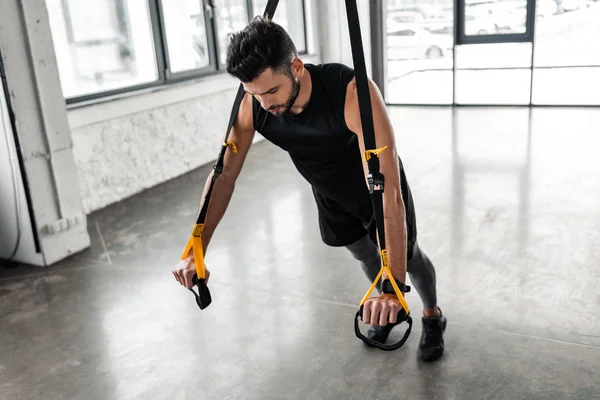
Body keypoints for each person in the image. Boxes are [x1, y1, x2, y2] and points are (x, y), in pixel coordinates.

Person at [172, 16, 446, 362]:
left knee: (409, 258)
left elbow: (386, 187)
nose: (266, 104)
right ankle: (383, 301)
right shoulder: (252, 105)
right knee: (363, 255)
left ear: (296, 67)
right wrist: (195, 247)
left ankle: (432, 315)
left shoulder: (352, 94)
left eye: (272, 90)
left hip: (375, 191)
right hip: (328, 192)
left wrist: (394, 281)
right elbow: (224, 175)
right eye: (255, 94)